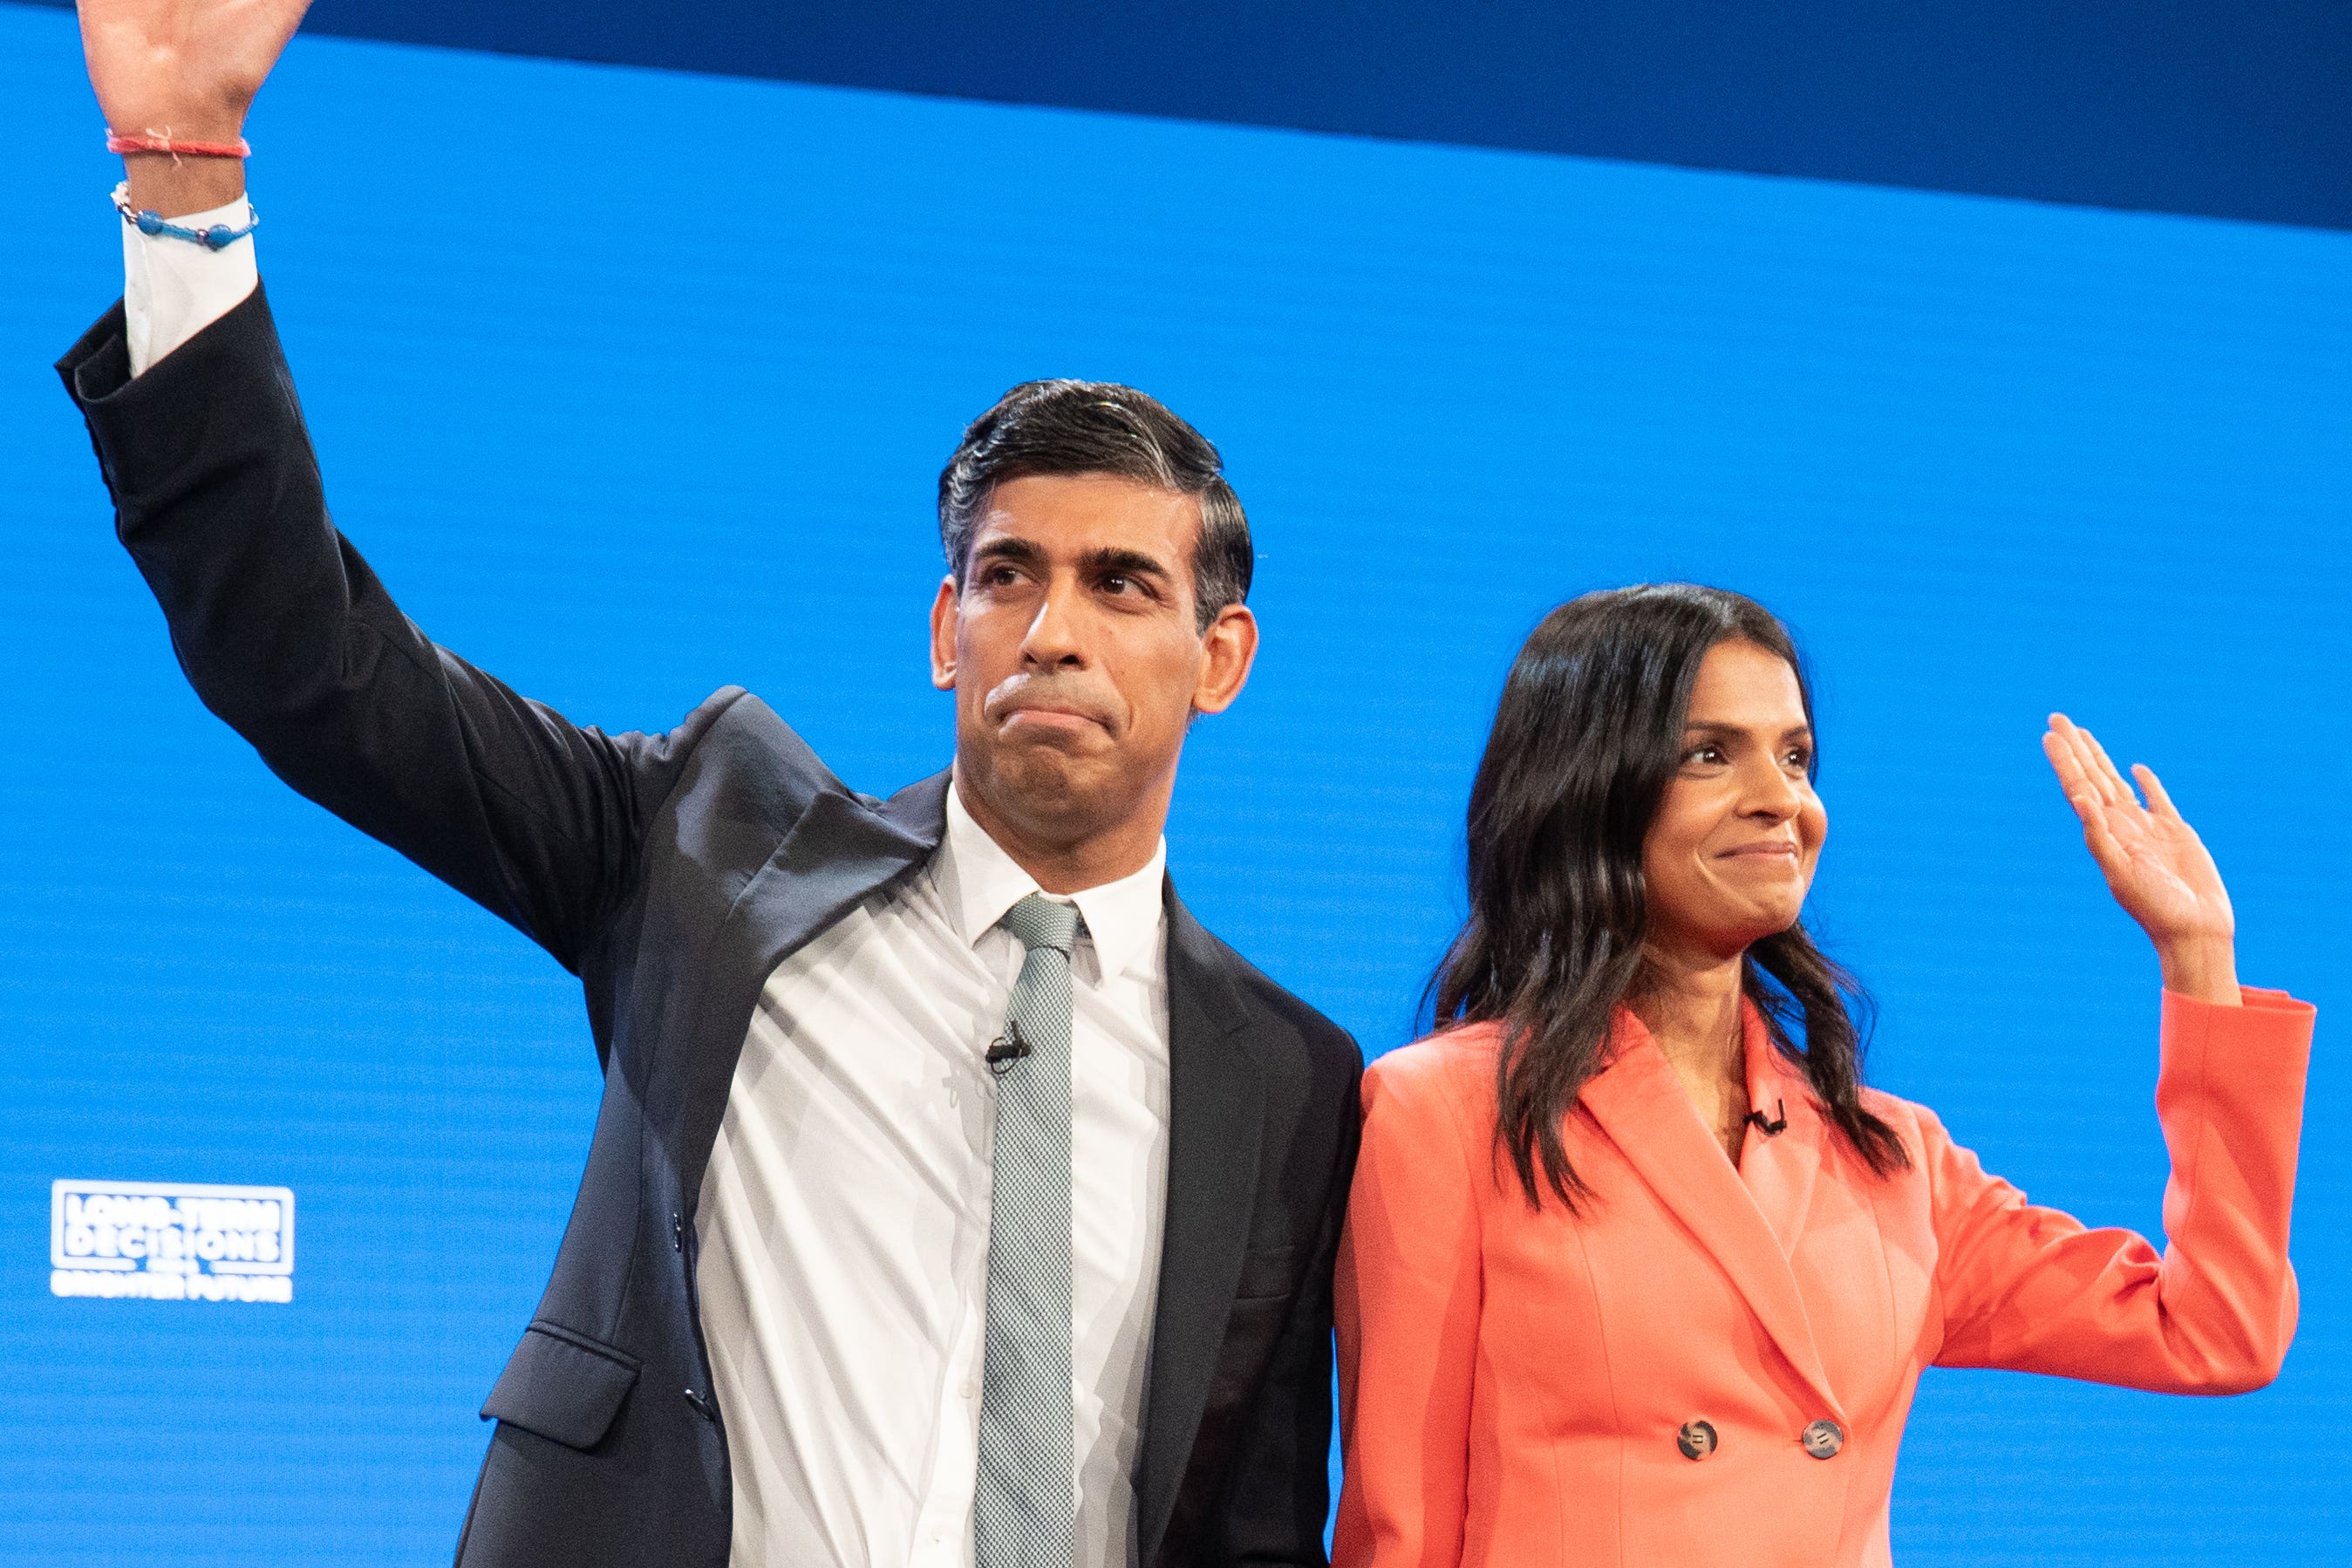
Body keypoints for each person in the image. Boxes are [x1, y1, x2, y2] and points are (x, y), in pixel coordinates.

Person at [57, 4, 1361, 1566]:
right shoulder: (711, 843)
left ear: (1223, 656)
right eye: (1007, 576)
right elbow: (309, 663)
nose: (1056, 630)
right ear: (946, 631)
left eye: (1122, 586)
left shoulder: (1287, 1077)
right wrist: (183, 173)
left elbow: (1248, 1521)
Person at [1333, 584, 2313, 1566]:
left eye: (1795, 756)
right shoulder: (1449, 1113)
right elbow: (1399, 1529)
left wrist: (2198, 960)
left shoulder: (1892, 1159)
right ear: (1588, 785)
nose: (1782, 799)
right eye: (1709, 753)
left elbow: (2215, 1327)